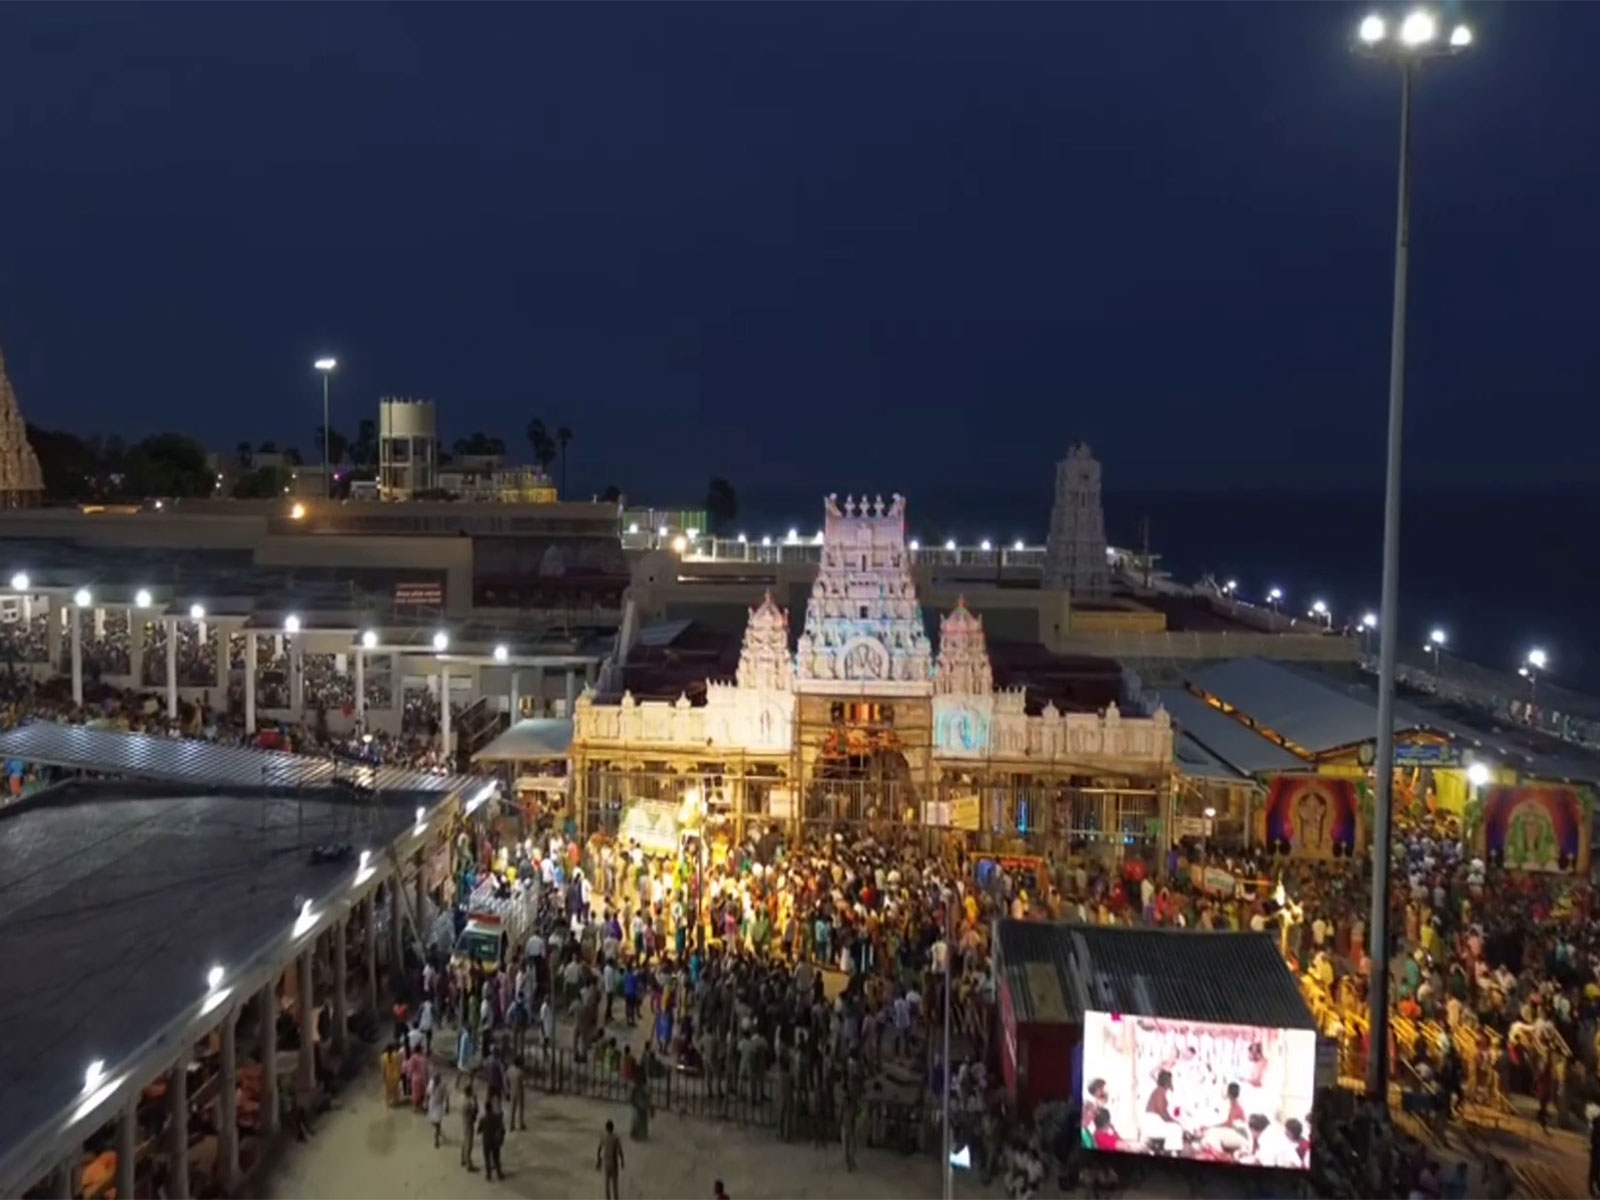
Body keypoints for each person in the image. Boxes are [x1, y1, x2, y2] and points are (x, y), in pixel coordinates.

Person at [597, 1119, 625, 1200]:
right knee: (615, 1184)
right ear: (613, 1128)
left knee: (607, 1183)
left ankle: (608, 1198)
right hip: (614, 1163)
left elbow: (599, 1149)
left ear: (606, 1128)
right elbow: (620, 1150)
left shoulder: (604, 1137)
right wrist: (622, 1161)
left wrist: (599, 1160)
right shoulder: (616, 1138)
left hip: (606, 1163)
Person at [480, 1095, 507, 1181]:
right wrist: (501, 1137)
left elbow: (479, 1130)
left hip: (486, 1142)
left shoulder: (483, 1119)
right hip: (495, 1142)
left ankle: (488, 1175)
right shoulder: (496, 1118)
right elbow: (502, 1129)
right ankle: (499, 1174)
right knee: (496, 1158)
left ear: (485, 1109)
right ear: (491, 1108)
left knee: (487, 1159)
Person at [426, 1069, 450, 1148]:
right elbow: (427, 1094)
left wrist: (447, 1106)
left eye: (437, 1079)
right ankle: (438, 1132)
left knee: (438, 1124)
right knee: (433, 1122)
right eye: (435, 1078)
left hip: (439, 1105)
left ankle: (436, 1140)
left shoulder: (443, 1085)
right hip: (432, 1104)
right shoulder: (431, 1083)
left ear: (439, 1079)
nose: (435, 1080)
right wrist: (426, 1103)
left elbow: (447, 1096)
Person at [460, 1080, 480, 1172]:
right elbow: (475, 1111)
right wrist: (476, 1101)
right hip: (469, 1122)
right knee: (469, 1143)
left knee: (464, 1140)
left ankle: (463, 1159)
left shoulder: (462, 1099)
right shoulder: (468, 1102)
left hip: (464, 1121)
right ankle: (469, 1164)